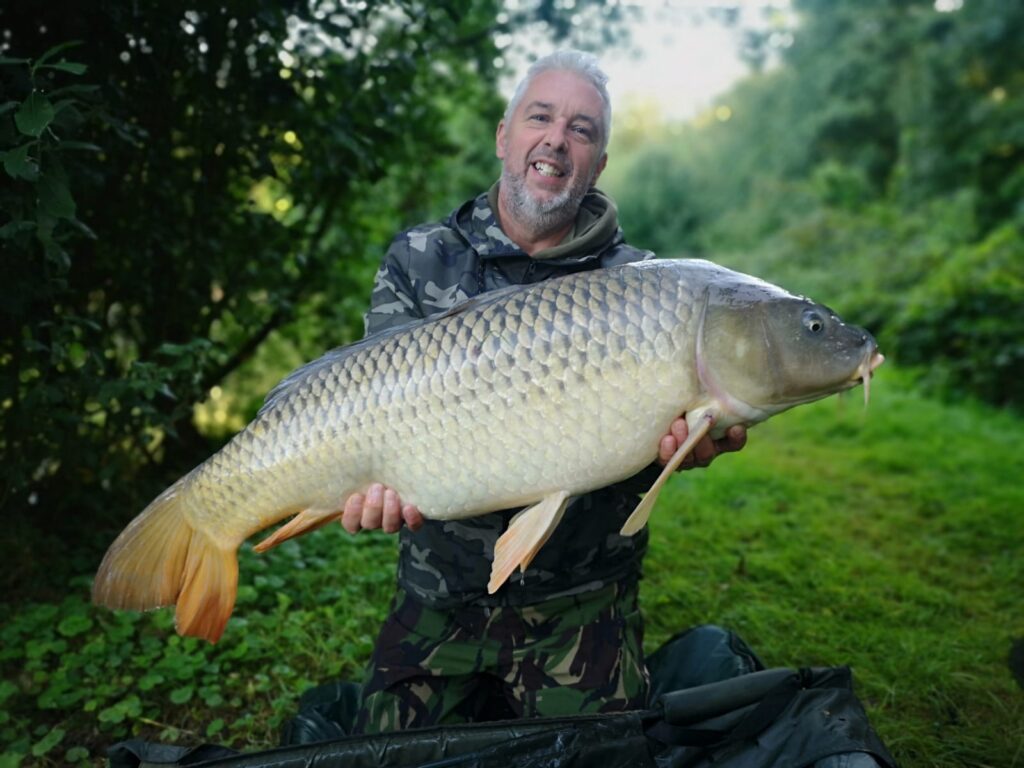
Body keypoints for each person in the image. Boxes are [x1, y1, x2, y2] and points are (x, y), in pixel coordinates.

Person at [341, 50, 747, 734]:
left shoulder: (646, 287)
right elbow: (375, 417)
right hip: (439, 593)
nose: (557, 139)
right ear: (506, 137)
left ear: (597, 164)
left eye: (582, 129)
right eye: (541, 117)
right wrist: (367, 485)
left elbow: (660, 440)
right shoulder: (420, 257)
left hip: (582, 602)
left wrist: (687, 450)